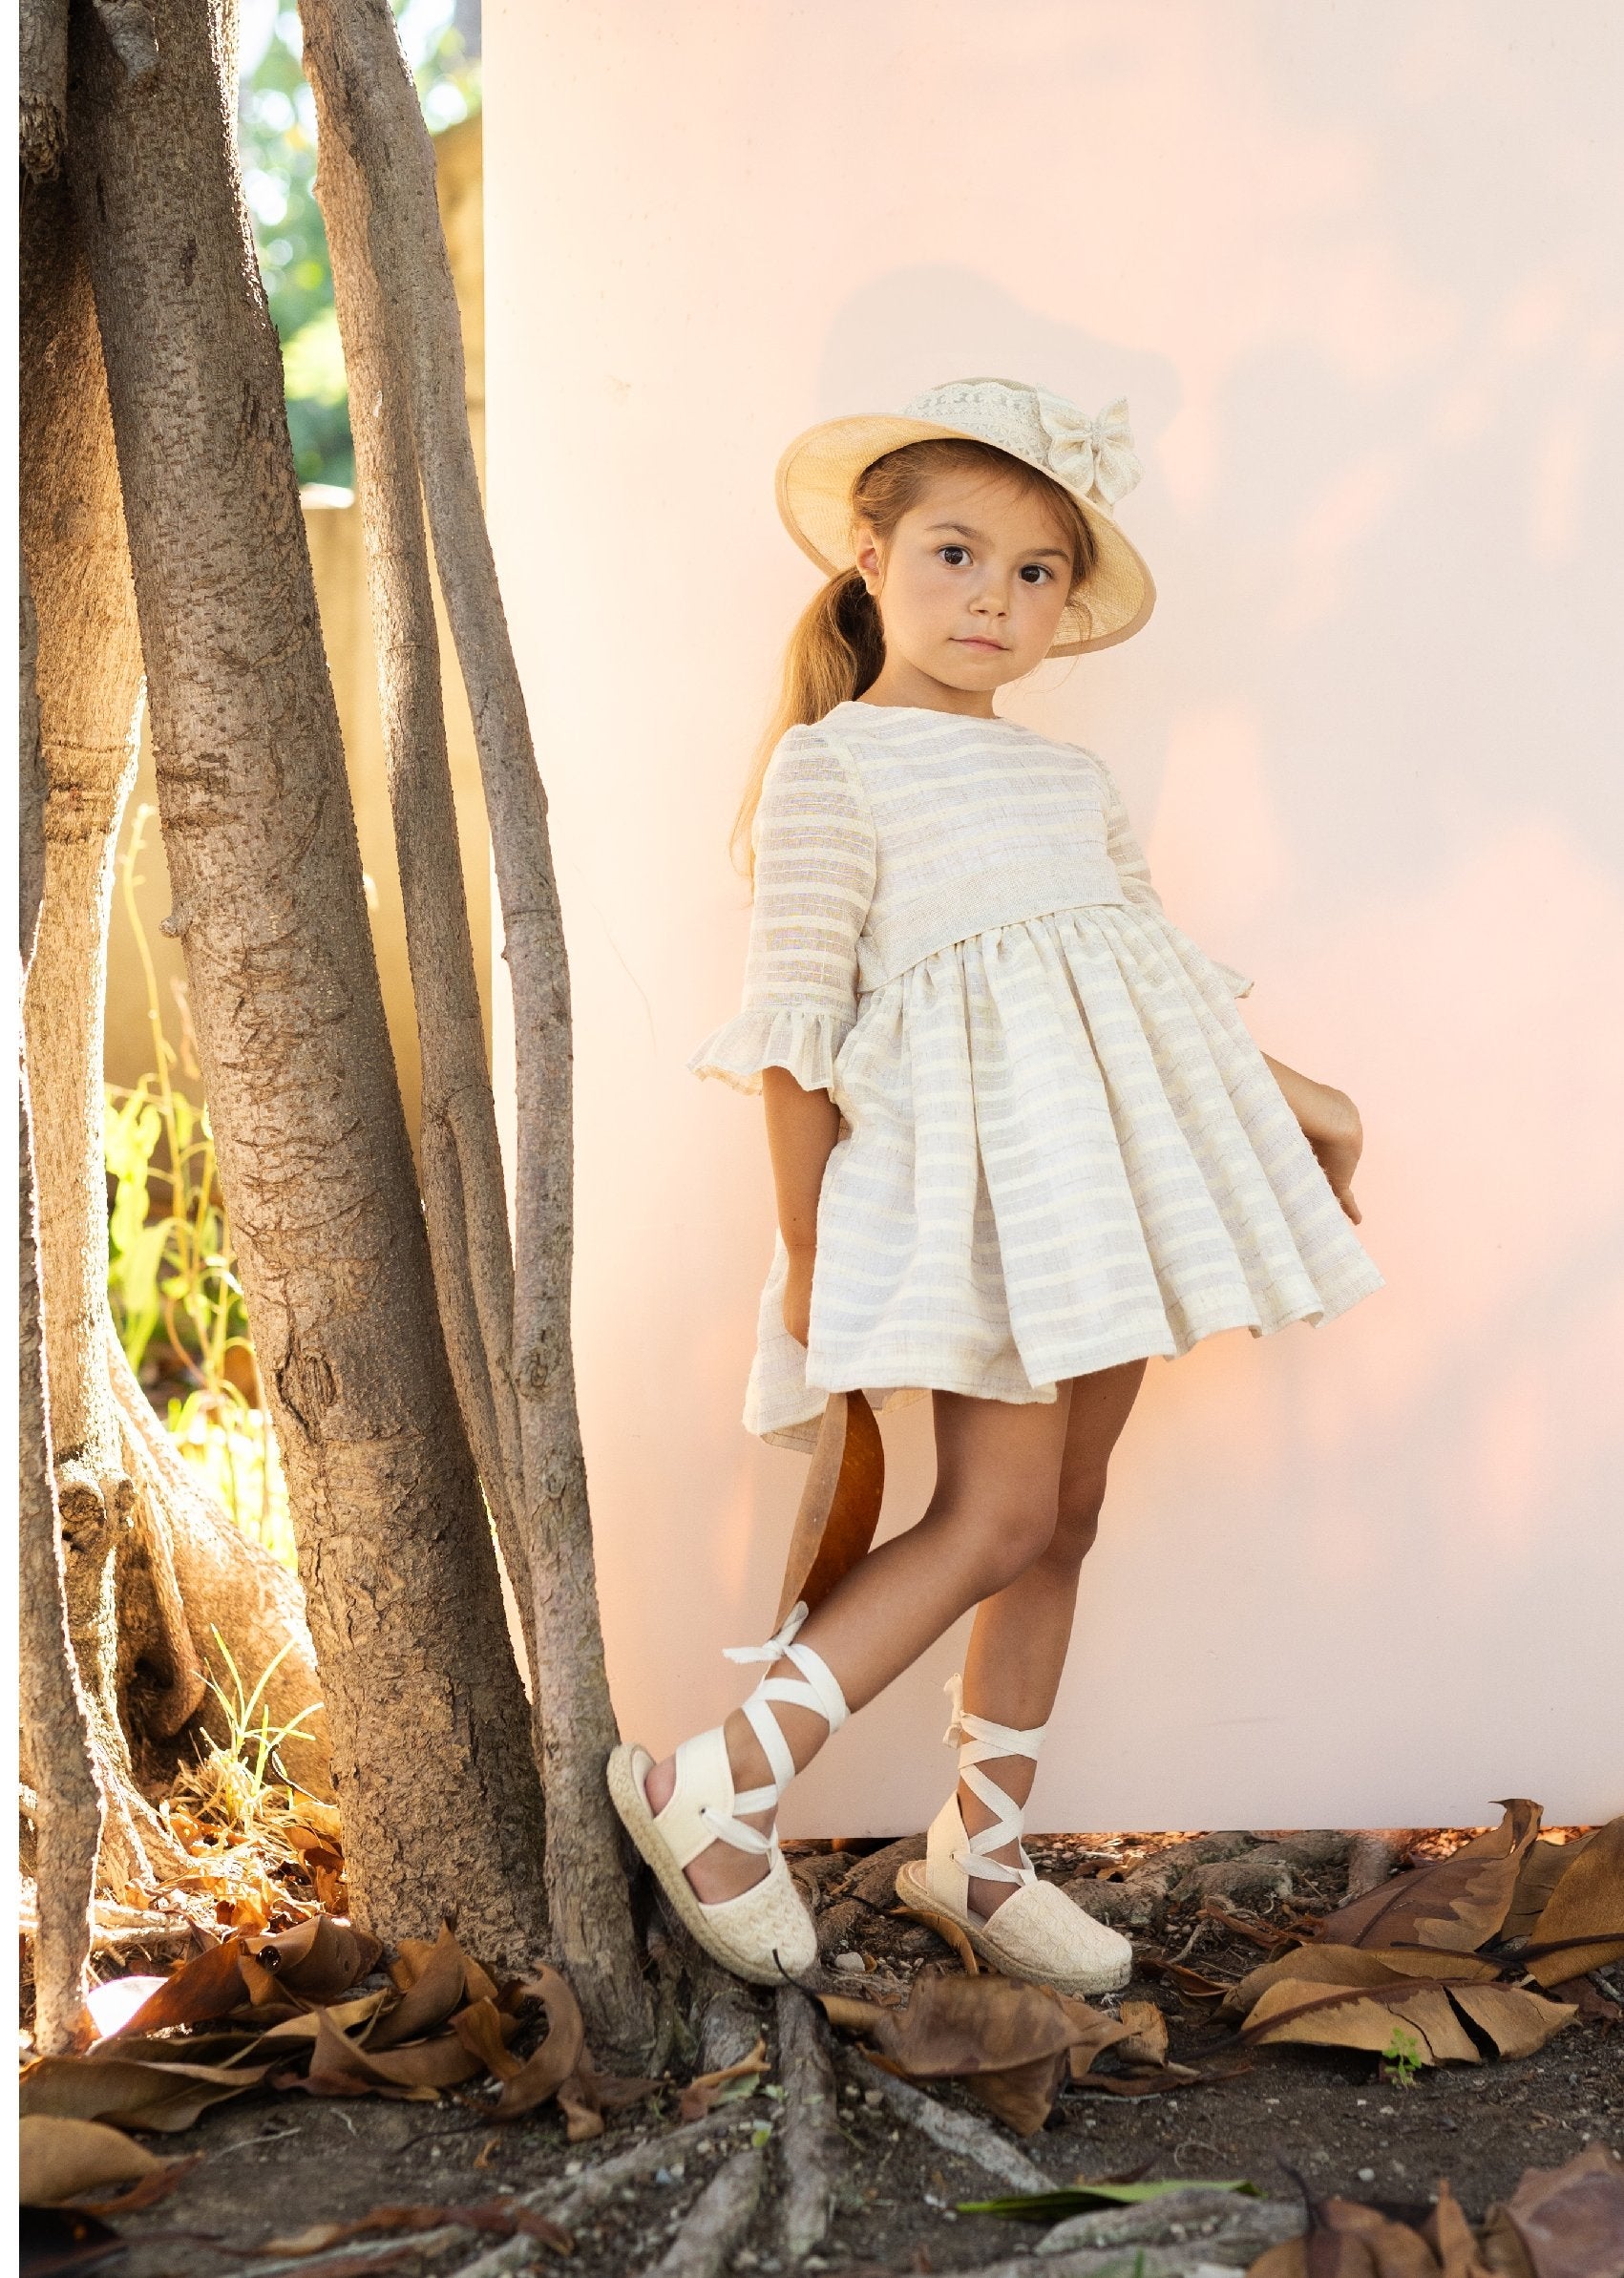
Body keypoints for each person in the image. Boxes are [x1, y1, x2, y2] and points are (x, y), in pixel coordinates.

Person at [608, 376, 1383, 1993]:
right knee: (995, 1511)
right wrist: (807, 1253)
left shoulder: (1067, 782)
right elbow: (795, 1038)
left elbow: (1155, 987)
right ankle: (718, 1784)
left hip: (1096, 1189)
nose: (993, 598)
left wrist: (1309, 1101)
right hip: (979, 1207)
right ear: (869, 559)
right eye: (955, 554)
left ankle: (983, 1848)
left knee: (1064, 1516)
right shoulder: (834, 768)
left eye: (1035, 572)